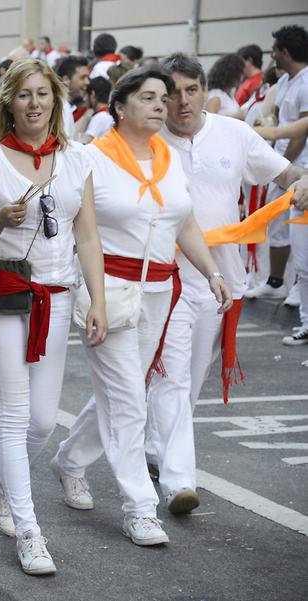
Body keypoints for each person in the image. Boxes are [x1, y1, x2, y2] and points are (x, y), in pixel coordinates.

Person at [50, 66, 232, 547]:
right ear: (119, 105)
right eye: (149, 97)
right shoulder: (89, 159)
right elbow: (72, 229)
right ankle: (139, 507)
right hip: (106, 290)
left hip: (161, 292)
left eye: (164, 98)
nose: (162, 105)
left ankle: (69, 461)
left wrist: (212, 272)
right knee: (129, 399)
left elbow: (184, 223)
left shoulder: (167, 157)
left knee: (127, 390)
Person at [0, 58, 107, 576]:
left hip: (57, 298)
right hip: (3, 294)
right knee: (14, 414)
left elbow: (86, 235)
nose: (35, 103)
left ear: (56, 101)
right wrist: (0, 218)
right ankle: (29, 530)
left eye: (43, 94)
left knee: (43, 420)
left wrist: (98, 300)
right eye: (24, 95)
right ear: (8, 105)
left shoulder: (77, 159)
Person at [143, 53, 308, 515]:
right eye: (171, 92)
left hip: (220, 280)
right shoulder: (147, 141)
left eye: (190, 90)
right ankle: (178, 481)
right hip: (161, 274)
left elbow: (283, 171)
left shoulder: (233, 134)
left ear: (204, 89)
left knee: (188, 378)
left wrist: (302, 179)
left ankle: (152, 448)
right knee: (173, 376)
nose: (181, 102)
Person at [247, 26, 308, 304]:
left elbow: (300, 131)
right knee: (278, 224)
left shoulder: (306, 82)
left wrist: (286, 165)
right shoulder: (285, 81)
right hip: (283, 163)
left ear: (285, 51)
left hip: (299, 166)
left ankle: (298, 284)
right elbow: (274, 116)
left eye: (274, 50)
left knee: (299, 229)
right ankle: (276, 282)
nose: (271, 55)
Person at [206, 54, 246, 119]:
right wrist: (236, 117)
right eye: (239, 73)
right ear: (230, 74)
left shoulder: (229, 94)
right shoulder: (216, 96)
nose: (241, 78)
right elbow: (209, 122)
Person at [80, 76, 114, 143]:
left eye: (86, 95)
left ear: (92, 94)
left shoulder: (100, 117)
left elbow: (84, 142)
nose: (85, 99)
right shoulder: (107, 114)